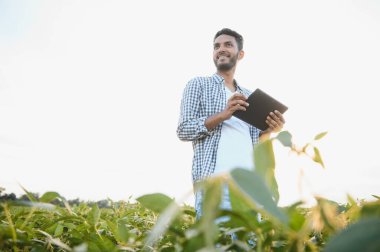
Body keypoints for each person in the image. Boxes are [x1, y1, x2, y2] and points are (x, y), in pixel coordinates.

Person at [176, 28, 285, 220]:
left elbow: (256, 143)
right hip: (214, 186)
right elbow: (184, 130)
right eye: (216, 46)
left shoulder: (250, 96)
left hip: (250, 188)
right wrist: (224, 115)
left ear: (240, 54)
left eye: (228, 45)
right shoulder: (198, 84)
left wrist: (269, 131)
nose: (221, 49)